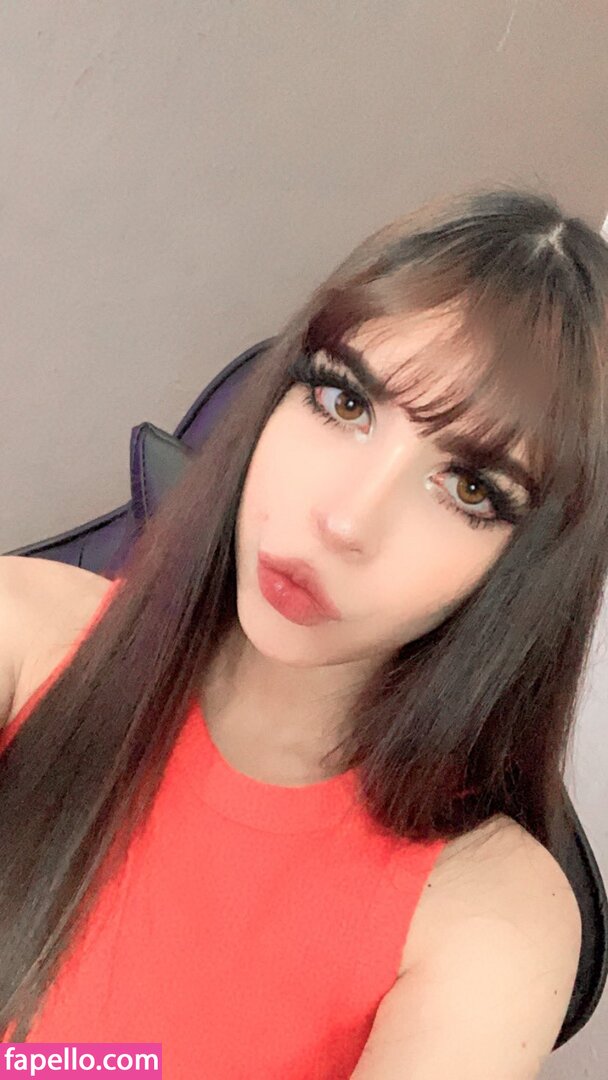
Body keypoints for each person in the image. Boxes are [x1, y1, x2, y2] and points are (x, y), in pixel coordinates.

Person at [0, 184, 605, 1078]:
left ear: (529, 570)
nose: (346, 521)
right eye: (344, 402)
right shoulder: (23, 633)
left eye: (471, 489)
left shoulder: (489, 917)